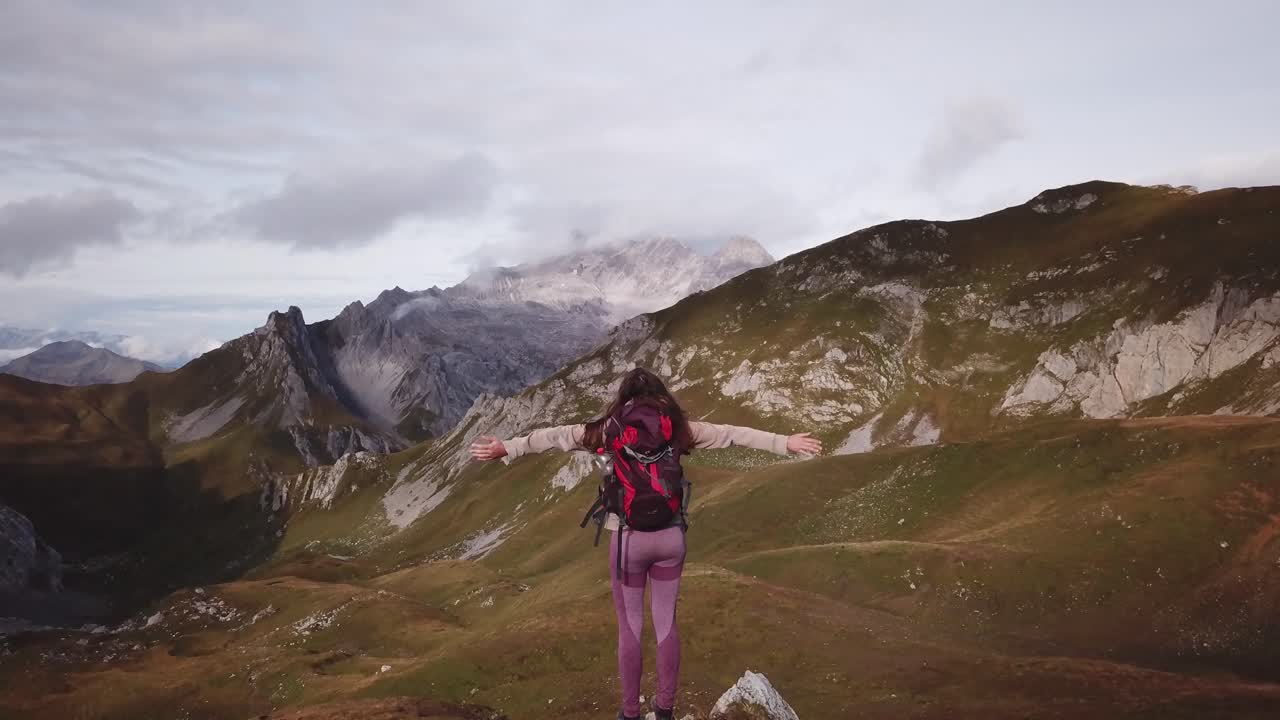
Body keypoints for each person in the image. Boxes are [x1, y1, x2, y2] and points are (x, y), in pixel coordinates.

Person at [469, 367, 822, 720]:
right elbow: (731, 434)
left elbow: (557, 436)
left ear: (623, 399)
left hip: (628, 542)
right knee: (666, 623)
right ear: (661, 396)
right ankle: (665, 709)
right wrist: (785, 442)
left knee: (630, 628)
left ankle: (630, 713)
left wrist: (508, 448)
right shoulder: (679, 429)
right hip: (671, 538)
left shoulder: (609, 430)